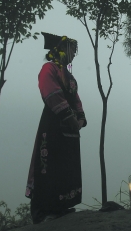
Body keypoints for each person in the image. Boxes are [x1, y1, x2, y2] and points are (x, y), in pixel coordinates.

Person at [25, 32, 87, 224]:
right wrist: (69, 116)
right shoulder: (48, 69)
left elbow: (75, 98)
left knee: (66, 166)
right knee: (49, 166)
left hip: (69, 131)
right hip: (53, 125)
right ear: (60, 50)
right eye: (72, 50)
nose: (74, 54)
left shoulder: (69, 76)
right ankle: (44, 211)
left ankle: (62, 206)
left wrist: (80, 118)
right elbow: (50, 93)